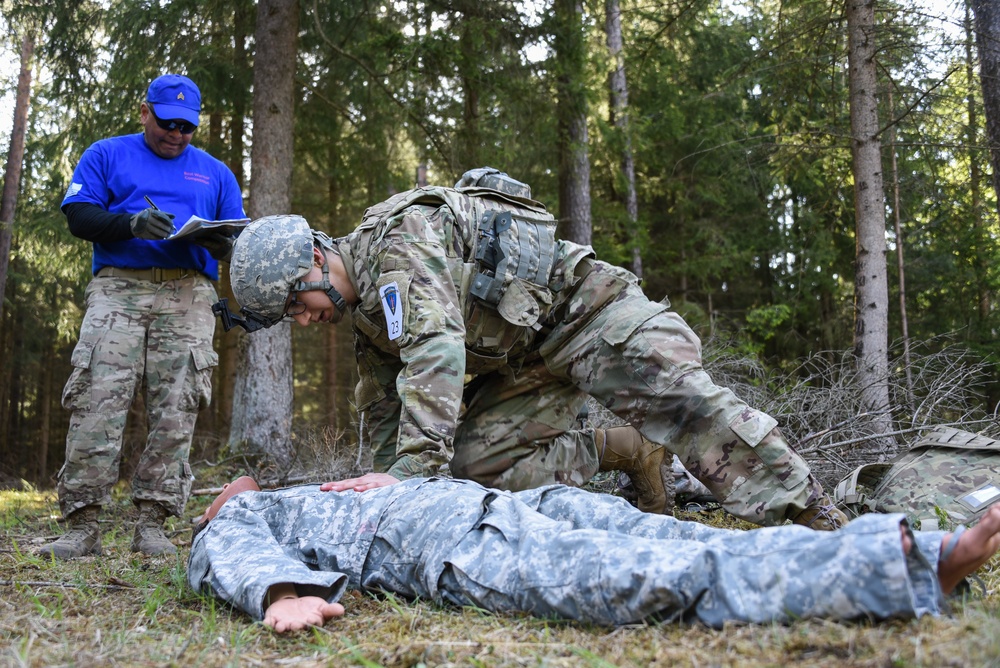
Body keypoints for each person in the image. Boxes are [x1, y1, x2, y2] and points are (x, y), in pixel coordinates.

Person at [218, 167, 847, 529]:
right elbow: (387, 409)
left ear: (315, 261)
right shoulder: (364, 318)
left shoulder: (397, 245)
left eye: (298, 305)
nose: (303, 321)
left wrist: (410, 476)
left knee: (681, 402)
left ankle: (816, 520)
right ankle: (625, 451)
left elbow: (437, 352)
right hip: (523, 361)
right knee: (469, 471)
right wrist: (391, 496)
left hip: (584, 312)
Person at [189, 475, 1000, 632]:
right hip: (461, 547)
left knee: (693, 537)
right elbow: (226, 544)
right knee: (669, 578)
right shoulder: (241, 516)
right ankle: (923, 561)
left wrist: (388, 477)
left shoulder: (307, 490)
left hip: (511, 503)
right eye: (223, 489)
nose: (232, 489)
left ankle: (919, 550)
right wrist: (276, 595)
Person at [38, 74, 246, 559]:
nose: (176, 134)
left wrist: (218, 240)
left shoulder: (216, 172)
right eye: (168, 123)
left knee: (177, 406)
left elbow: (237, 235)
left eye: (187, 127)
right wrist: (128, 223)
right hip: (119, 287)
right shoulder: (107, 154)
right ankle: (82, 524)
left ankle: (152, 524)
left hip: (189, 293)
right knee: (97, 396)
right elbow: (78, 216)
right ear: (145, 112)